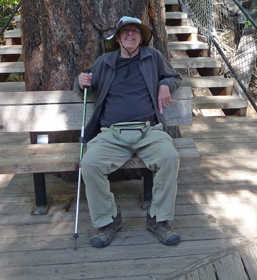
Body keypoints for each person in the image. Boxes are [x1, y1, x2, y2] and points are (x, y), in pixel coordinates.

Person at [74, 16, 182, 248]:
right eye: (125, 32)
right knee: (89, 164)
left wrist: (165, 85)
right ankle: (109, 220)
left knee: (170, 158)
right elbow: (84, 84)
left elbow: (174, 76)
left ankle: (159, 219)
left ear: (141, 38)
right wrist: (80, 80)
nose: (130, 34)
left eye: (135, 31)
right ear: (118, 38)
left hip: (149, 130)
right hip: (112, 134)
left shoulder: (152, 57)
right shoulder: (105, 61)